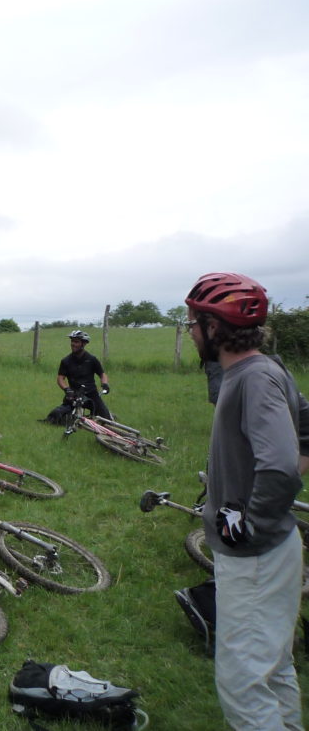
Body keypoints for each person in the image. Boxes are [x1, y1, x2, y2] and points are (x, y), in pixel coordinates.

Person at [185, 271, 303, 731]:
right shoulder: (264, 370)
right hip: (271, 549)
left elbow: (279, 465)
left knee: (243, 679)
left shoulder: (253, 379)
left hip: (255, 556)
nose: (191, 330)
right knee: (273, 665)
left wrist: (249, 523)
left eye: (194, 322)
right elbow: (306, 427)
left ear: (215, 328)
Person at [53, 330, 112, 421]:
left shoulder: (92, 359)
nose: (73, 344)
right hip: (73, 394)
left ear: (84, 344)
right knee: (56, 416)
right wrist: (67, 389)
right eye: (72, 341)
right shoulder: (66, 361)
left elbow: (102, 374)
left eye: (76, 342)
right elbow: (60, 378)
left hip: (92, 394)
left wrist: (105, 384)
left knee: (106, 419)